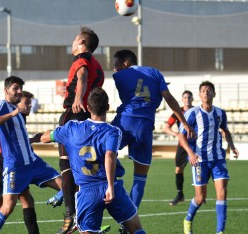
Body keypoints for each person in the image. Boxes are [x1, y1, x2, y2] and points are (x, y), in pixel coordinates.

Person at [38, 87, 146, 234]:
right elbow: (109, 155)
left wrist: (38, 138)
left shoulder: (72, 128)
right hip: (111, 186)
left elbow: (45, 138)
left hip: (87, 191)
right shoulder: (112, 131)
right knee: (136, 229)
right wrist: (110, 188)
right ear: (108, 108)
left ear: (88, 107)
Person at [110, 49, 196, 233]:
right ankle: (128, 222)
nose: (114, 69)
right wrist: (184, 123)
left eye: (116, 64)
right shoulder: (156, 73)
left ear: (125, 63)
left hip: (124, 122)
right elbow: (169, 98)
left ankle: (79, 197)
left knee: (99, 153)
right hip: (145, 126)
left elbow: (131, 92)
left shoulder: (119, 76)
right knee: (140, 178)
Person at [0, 76, 62, 234]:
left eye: (20, 88)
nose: (19, 91)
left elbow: (22, 138)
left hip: (33, 163)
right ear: (6, 91)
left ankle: (76, 222)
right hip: (15, 167)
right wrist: (11, 114)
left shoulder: (19, 113)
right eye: (15, 88)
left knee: (67, 184)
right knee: (7, 208)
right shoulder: (3, 105)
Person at [57, 26, 104, 234]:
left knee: (65, 165)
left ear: (82, 44)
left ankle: (70, 216)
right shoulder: (99, 66)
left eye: (76, 39)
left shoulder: (81, 59)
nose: (73, 42)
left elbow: (83, 76)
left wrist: (77, 98)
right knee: (84, 168)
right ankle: (86, 215)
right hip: (88, 117)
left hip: (73, 115)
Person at [179, 81, 239, 234]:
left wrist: (231, 146)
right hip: (200, 161)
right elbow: (181, 136)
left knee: (222, 192)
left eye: (209, 90)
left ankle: (220, 231)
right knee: (200, 198)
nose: (206, 92)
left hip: (218, 158)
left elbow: (225, 130)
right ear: (200, 95)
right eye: (203, 90)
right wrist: (191, 154)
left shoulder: (220, 113)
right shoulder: (192, 113)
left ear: (214, 94)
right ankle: (188, 220)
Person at [163, 90, 194, 206]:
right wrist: (176, 135)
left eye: (189, 97)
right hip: (183, 144)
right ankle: (180, 194)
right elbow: (166, 128)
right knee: (178, 169)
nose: (187, 99)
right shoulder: (177, 112)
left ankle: (201, 194)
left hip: (195, 144)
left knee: (199, 168)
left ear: (192, 99)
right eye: (185, 97)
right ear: (182, 99)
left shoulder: (196, 111)